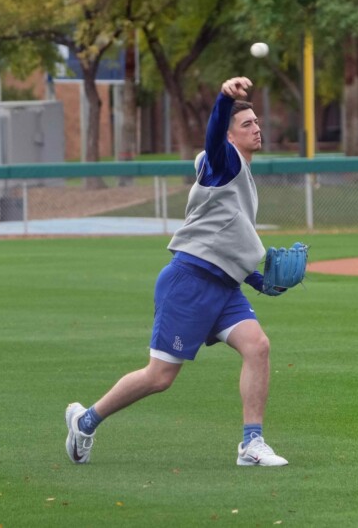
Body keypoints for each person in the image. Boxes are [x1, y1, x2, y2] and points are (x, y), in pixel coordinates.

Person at [65, 76, 289, 467]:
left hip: (222, 286)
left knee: (259, 346)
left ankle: (251, 445)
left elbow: (229, 238)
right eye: (247, 124)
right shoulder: (225, 162)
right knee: (159, 377)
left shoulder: (241, 174)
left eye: (256, 122)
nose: (257, 128)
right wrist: (223, 100)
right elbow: (214, 134)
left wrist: (257, 279)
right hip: (189, 283)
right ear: (230, 137)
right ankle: (85, 421)